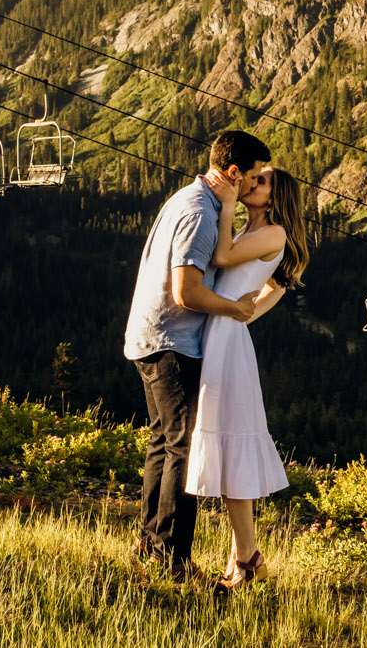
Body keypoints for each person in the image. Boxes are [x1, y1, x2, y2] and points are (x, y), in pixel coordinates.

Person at [123, 129, 270, 578]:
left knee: (162, 443)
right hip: (172, 341)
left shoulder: (187, 198)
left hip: (148, 337)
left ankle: (150, 544)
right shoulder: (201, 214)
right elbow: (186, 291)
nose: (254, 184)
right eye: (254, 176)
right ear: (232, 173)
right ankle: (171, 558)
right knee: (183, 449)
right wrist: (236, 308)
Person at [186, 164, 310, 589]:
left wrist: (226, 203)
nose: (251, 182)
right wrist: (243, 313)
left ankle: (248, 558)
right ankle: (242, 557)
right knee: (225, 449)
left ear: (275, 199)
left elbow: (221, 258)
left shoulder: (274, 233)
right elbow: (272, 287)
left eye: (261, 182)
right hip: (222, 336)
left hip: (227, 345)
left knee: (230, 447)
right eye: (252, 178)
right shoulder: (253, 233)